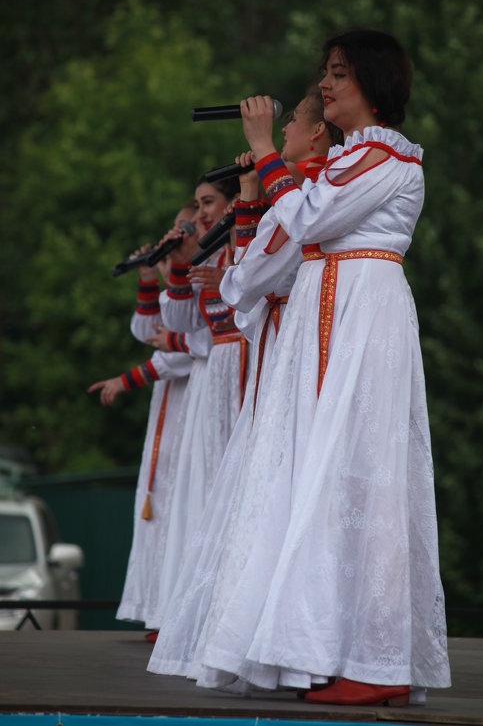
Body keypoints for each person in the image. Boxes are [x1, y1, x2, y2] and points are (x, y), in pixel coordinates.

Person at [160, 29, 451, 705]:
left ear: (373, 84)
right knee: (322, 480)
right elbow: (280, 246)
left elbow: (313, 216)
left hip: (363, 312)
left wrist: (265, 153)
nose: (325, 85)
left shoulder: (387, 158)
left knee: (366, 480)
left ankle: (378, 661)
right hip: (329, 310)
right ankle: (323, 648)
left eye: (340, 74)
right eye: (324, 72)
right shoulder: (353, 157)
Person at [147, 88, 341, 678]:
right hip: (277, 343)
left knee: (274, 487)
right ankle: (260, 642)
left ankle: (283, 648)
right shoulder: (295, 183)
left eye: (288, 131)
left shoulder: (313, 184)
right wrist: (252, 192)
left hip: (288, 346)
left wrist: (259, 177)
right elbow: (250, 273)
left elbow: (254, 273)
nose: (278, 137)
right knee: (251, 490)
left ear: (314, 136)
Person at [87, 204, 209, 633]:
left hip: (196, 393)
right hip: (169, 403)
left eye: (184, 228)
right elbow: (146, 331)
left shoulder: (206, 276)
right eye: (175, 228)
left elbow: (180, 353)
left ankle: (173, 611)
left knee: (179, 499)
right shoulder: (182, 279)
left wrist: (125, 379)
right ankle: (158, 606)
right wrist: (146, 277)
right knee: (158, 501)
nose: (175, 234)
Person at [144, 173, 244, 626]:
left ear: (233, 204)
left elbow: (208, 335)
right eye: (199, 204)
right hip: (211, 382)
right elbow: (182, 321)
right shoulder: (211, 254)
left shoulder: (241, 252)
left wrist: (183, 342)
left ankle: (223, 613)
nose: (200, 214)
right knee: (199, 490)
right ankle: (194, 612)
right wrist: (178, 266)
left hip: (237, 373)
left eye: (209, 203)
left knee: (226, 487)